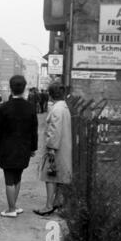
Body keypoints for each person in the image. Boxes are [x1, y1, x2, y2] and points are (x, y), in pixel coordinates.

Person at [0, 76, 39, 218]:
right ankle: (15, 206)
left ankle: (11, 209)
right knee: (18, 177)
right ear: (24, 88)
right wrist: (33, 148)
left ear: (11, 88)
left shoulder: (4, 108)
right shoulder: (30, 107)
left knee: (9, 179)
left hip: (7, 147)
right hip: (24, 147)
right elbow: (33, 130)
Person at [34, 82, 72, 216]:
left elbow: (54, 130)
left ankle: (48, 206)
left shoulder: (56, 110)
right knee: (58, 176)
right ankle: (57, 202)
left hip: (55, 149)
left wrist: (51, 148)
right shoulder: (64, 107)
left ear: (50, 95)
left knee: (50, 177)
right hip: (63, 147)